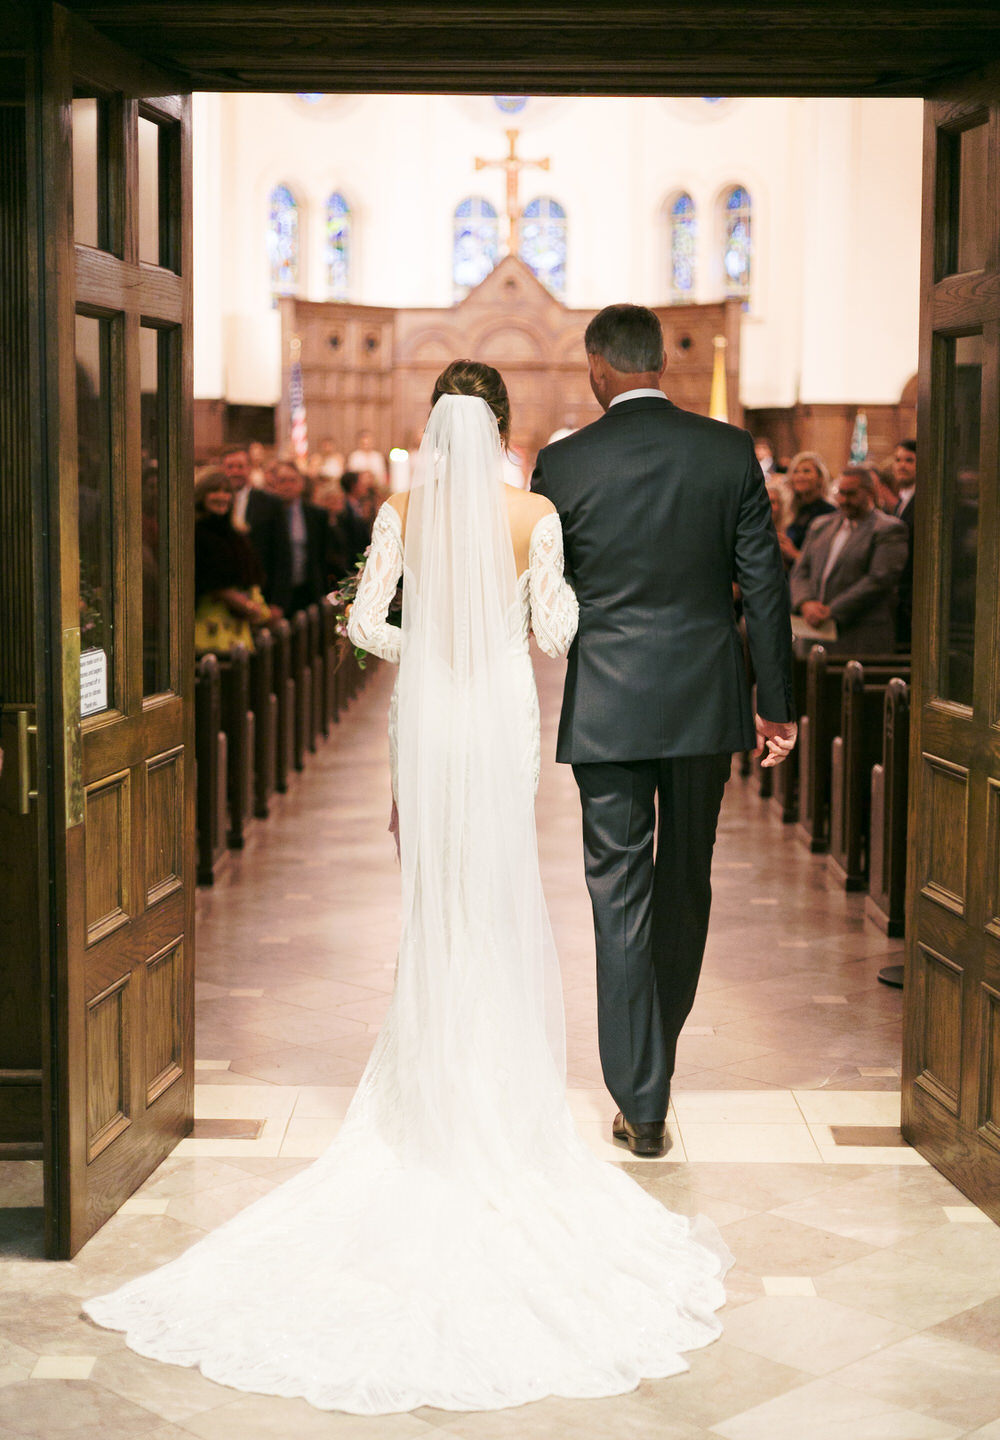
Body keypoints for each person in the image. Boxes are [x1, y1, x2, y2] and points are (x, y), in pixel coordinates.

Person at [83, 359, 735, 1413]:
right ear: (507, 424)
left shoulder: (400, 509)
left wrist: (432, 642)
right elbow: (557, 635)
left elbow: (360, 627)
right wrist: (538, 601)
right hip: (500, 720)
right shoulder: (535, 512)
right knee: (498, 893)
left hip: (430, 716)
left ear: (433, 426)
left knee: (432, 904)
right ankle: (499, 1096)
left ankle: (428, 1094)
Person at [532, 304, 796, 1161]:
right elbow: (765, 589)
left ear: (598, 367)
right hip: (701, 703)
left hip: (606, 706)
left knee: (617, 895)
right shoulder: (727, 453)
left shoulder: (564, 464)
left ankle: (639, 1097)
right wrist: (776, 704)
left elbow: (552, 601)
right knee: (686, 881)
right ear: (661, 365)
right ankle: (658, 1068)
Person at [790, 464, 909, 654]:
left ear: (870, 493)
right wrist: (805, 603)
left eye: (851, 494)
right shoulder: (821, 525)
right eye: (841, 493)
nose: (844, 500)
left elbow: (879, 579)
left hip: (859, 636)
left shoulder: (888, 529)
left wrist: (831, 611)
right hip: (814, 633)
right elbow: (801, 570)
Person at [193, 471, 271, 655]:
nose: (222, 497)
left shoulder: (236, 533)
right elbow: (213, 583)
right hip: (209, 629)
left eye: (226, 491)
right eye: (214, 491)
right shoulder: (195, 532)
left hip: (239, 628)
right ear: (201, 495)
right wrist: (248, 607)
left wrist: (255, 607)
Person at [223, 446, 290, 615]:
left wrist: (278, 603)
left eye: (240, 466)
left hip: (261, 592)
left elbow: (282, 555)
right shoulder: (214, 501)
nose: (235, 472)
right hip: (224, 595)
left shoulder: (270, 503)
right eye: (230, 467)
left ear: (250, 468)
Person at [268, 459, 330, 615]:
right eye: (282, 481)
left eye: (292, 480)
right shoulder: (265, 515)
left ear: (301, 484)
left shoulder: (316, 515)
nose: (288, 486)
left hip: (307, 592)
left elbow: (322, 555)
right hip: (273, 596)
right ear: (274, 483)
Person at [783, 450, 835, 559]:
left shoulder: (829, 512)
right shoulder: (795, 508)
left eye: (806, 471)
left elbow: (823, 559)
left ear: (820, 478)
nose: (800, 476)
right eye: (796, 471)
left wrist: (793, 554)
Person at [891, 438, 916, 646]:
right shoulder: (903, 500)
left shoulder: (922, 499)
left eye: (909, 460)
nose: (902, 465)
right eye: (898, 460)